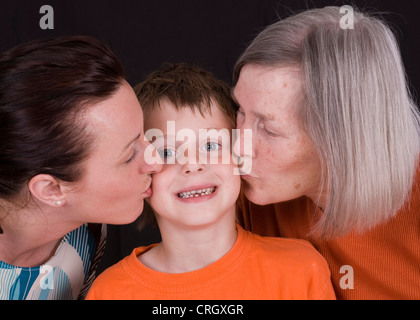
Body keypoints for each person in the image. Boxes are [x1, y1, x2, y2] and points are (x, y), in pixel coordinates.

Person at [86, 63, 336, 300]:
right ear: (143, 171)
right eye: (166, 153)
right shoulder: (111, 291)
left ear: (240, 155)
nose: (193, 164)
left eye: (210, 145)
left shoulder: (301, 269)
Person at [232, 6, 420, 299]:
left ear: (343, 139)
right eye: (240, 111)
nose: (236, 147)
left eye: (268, 130)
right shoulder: (237, 191)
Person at [0, 36, 161, 299]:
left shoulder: (87, 231)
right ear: (51, 189)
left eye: (144, 134)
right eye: (130, 154)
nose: (156, 161)